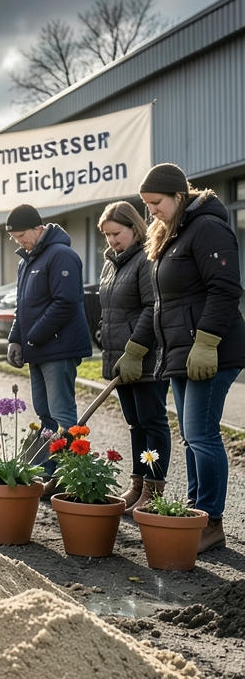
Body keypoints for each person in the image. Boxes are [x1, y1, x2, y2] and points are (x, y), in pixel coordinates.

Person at [131, 164, 245, 554]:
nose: (151, 211)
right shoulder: (173, 233)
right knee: (191, 437)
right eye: (147, 204)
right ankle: (196, 513)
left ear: (179, 195)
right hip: (182, 352)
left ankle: (211, 522)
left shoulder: (207, 227)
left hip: (212, 351)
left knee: (201, 435)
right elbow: (166, 303)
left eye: (156, 203)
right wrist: (139, 347)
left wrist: (207, 341)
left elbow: (226, 288)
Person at [4, 204, 90, 493]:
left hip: (59, 348)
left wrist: (34, 335)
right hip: (38, 347)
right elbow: (22, 307)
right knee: (44, 413)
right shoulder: (26, 262)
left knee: (62, 414)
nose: (19, 242)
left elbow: (66, 302)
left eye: (22, 235)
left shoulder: (61, 255)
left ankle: (69, 476)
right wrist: (16, 338)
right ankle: (50, 471)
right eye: (14, 237)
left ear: (39, 229)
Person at [96, 201, 168, 515]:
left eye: (117, 233)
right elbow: (109, 309)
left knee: (152, 422)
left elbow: (153, 309)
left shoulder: (145, 259)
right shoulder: (110, 264)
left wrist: (135, 349)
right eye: (107, 235)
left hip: (145, 358)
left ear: (134, 228)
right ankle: (137, 484)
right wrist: (103, 333)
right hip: (118, 358)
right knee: (135, 423)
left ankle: (154, 488)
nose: (112, 240)